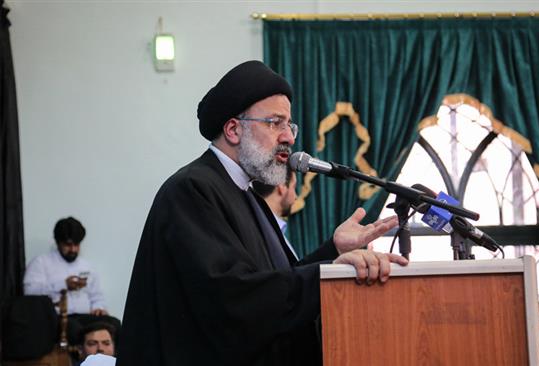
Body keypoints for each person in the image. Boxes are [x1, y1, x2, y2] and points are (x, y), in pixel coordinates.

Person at [117, 60, 408, 365]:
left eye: (289, 125)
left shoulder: (245, 193)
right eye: (275, 123)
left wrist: (332, 251)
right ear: (233, 129)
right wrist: (328, 271)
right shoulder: (193, 189)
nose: (289, 138)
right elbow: (234, 298)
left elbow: (275, 283)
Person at [23, 217, 120, 344]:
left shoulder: (86, 266)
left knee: (114, 324)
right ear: (58, 243)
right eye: (68, 245)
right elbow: (30, 292)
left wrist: (98, 307)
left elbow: (97, 295)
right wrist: (63, 285)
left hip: (85, 316)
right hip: (57, 320)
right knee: (76, 330)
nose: (73, 249)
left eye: (77, 245)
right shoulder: (41, 263)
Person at [252, 164, 299, 259]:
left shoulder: (254, 224)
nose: (296, 196)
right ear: (282, 186)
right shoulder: (263, 231)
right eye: (293, 187)